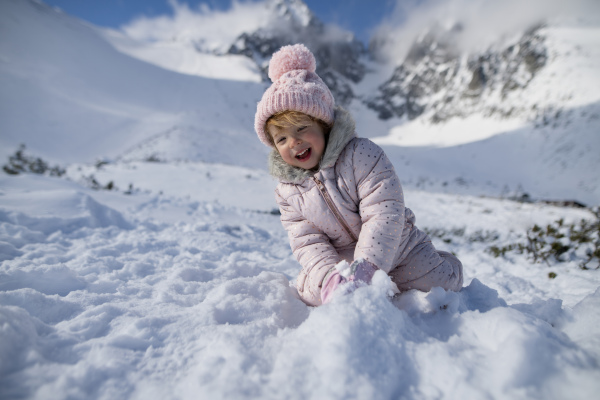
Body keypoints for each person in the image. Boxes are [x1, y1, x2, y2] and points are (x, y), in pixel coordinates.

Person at [254, 44, 463, 306]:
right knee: (312, 292)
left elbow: (383, 212)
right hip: (343, 261)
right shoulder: (287, 190)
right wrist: (329, 275)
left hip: (399, 247)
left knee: (439, 284)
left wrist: (367, 270)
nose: (293, 142)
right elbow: (306, 239)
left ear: (323, 125)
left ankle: (447, 262)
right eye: (281, 138)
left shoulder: (360, 154)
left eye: (301, 128)